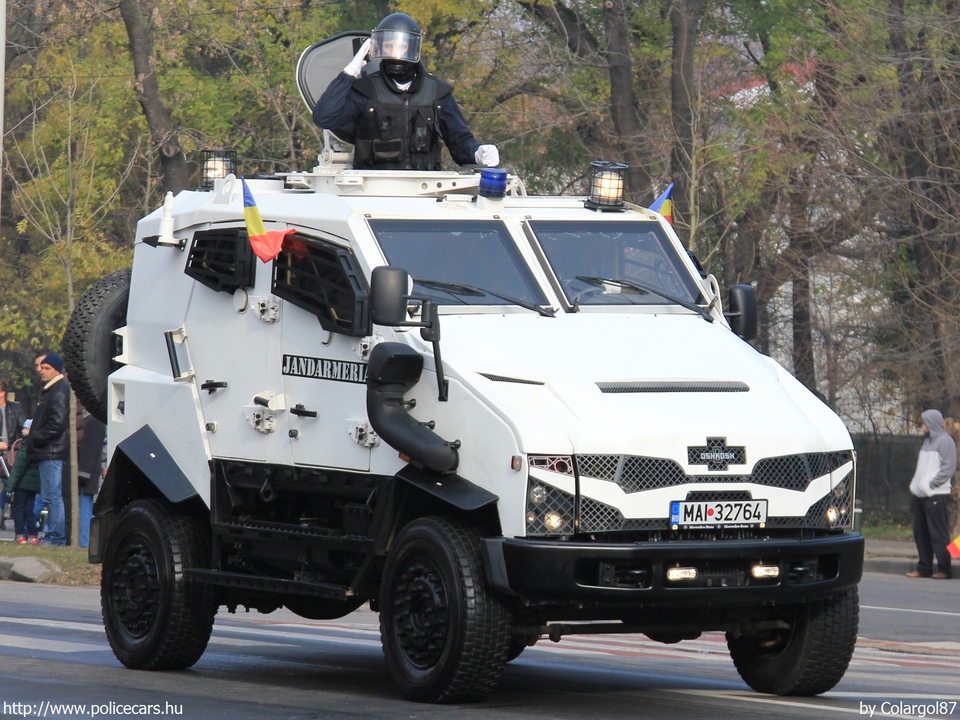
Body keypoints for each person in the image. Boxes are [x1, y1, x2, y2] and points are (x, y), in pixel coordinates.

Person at [314, 13, 500, 171]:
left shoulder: (437, 93)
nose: (395, 53)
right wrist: (349, 73)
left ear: (413, 47)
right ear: (378, 47)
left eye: (401, 46)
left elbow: (459, 141)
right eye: (388, 46)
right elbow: (324, 118)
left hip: (424, 189)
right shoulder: (365, 91)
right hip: (371, 188)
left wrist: (477, 153)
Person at [27, 353, 71, 546]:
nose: (42, 372)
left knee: (53, 496)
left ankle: (55, 536)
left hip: (51, 451)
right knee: (49, 495)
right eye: (41, 368)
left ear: (56, 369)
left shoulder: (59, 390)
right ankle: (53, 534)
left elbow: (57, 423)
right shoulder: (51, 389)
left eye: (46, 368)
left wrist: (36, 437)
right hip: (47, 450)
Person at [906, 409, 955, 579]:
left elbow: (948, 468)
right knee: (921, 532)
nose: (922, 425)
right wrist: (920, 487)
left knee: (938, 533)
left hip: (936, 494)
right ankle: (924, 568)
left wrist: (931, 485)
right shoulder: (927, 442)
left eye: (924, 422)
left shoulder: (945, 442)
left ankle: (944, 569)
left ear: (932, 422)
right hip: (922, 495)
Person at [0, 379, 28, 530]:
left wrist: (14, 447)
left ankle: (2, 511)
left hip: (8, 454)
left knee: (6, 484)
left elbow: (23, 429)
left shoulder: (14, 409)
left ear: (2, 393)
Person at [7, 420, 40, 544]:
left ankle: (20, 535)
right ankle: (33, 535)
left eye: (25, 428)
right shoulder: (38, 447)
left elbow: (18, 469)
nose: (23, 430)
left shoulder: (25, 448)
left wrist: (10, 486)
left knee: (19, 510)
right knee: (29, 510)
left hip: (22, 485)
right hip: (33, 486)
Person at [77, 410, 106, 549]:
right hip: (89, 472)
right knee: (85, 508)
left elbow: (89, 451)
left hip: (87, 473)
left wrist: (83, 473)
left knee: (85, 508)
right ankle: (84, 542)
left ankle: (84, 542)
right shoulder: (94, 421)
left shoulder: (94, 422)